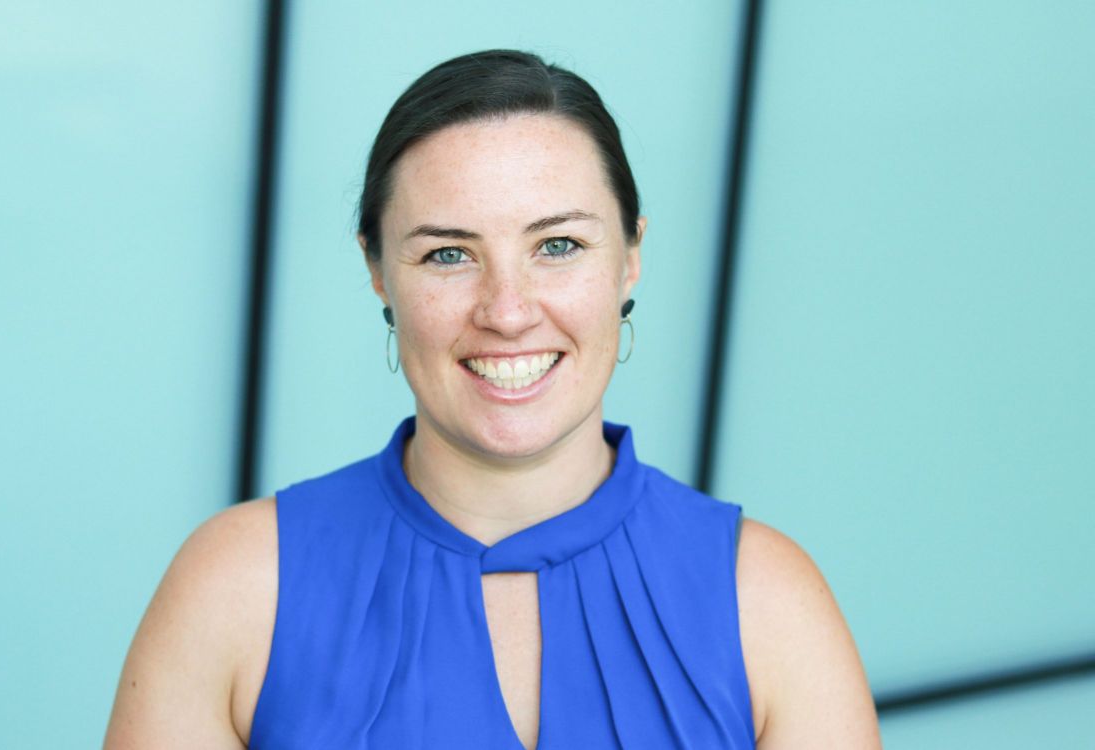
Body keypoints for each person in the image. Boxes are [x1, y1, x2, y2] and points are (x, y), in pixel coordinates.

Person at [104, 50, 880, 749]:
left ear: (631, 258)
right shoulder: (237, 587)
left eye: (559, 246)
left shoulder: (771, 603)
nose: (507, 310)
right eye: (448, 253)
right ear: (377, 270)